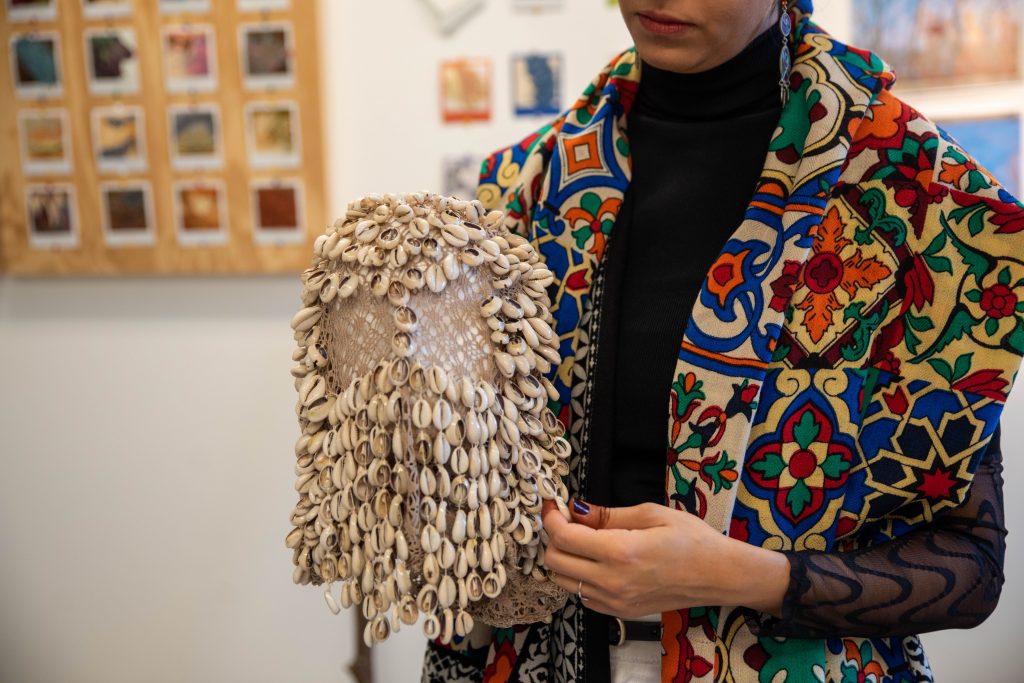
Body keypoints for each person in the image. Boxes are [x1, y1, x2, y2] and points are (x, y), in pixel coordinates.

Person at [421, 1, 1023, 681]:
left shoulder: (918, 201)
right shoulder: (526, 191)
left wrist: (744, 576)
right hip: (542, 660)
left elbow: (972, 564)